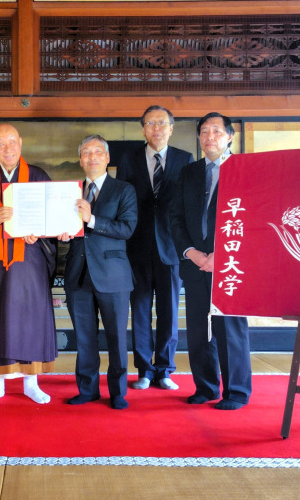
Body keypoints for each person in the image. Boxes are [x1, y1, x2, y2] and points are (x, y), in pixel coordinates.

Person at [0, 124, 58, 405]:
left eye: (12, 141)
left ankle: (32, 382)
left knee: (31, 317)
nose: (7, 147)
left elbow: (52, 217)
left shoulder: (38, 176)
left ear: (21, 143)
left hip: (29, 259)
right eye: (0, 143)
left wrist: (38, 231)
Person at [169, 112, 252, 410]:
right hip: (195, 263)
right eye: (204, 131)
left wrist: (223, 254)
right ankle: (205, 386)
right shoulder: (189, 173)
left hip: (229, 265)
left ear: (230, 136)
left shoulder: (245, 170)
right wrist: (191, 252)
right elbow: (175, 218)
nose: (209, 137)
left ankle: (237, 392)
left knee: (229, 329)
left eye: (216, 131)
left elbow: (252, 219)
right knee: (197, 328)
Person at [116, 105, 192, 391]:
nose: (156, 129)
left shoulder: (185, 159)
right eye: (150, 123)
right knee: (141, 310)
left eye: (162, 123)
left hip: (172, 247)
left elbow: (188, 204)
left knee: (169, 311)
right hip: (137, 245)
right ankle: (144, 370)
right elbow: (123, 201)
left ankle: (165, 369)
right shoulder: (128, 159)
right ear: (143, 129)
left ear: (171, 128)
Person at [58, 135, 138, 410]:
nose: (92, 157)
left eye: (97, 152)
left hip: (113, 275)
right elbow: (65, 227)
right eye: (86, 153)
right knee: (84, 337)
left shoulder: (124, 189)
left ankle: (118, 392)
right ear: (80, 160)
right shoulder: (70, 190)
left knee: (116, 337)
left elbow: (126, 229)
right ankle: (87, 389)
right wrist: (64, 236)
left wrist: (90, 219)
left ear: (107, 158)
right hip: (77, 273)